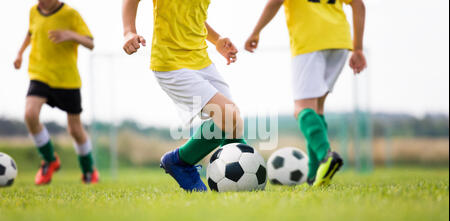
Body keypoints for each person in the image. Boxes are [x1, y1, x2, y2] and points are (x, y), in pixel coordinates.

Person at [122, 0, 247, 192]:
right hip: (171, 64)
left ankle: (238, 178)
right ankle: (180, 162)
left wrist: (217, 40)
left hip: (201, 61)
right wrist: (128, 31)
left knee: (234, 122)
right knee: (228, 115)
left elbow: (191, 16)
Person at [245, 0, 367, 187]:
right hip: (340, 42)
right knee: (317, 109)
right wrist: (357, 48)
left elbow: (275, 2)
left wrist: (255, 32)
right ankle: (314, 174)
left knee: (301, 109)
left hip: (309, 42)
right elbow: (359, 5)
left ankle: (326, 156)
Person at [14, 0, 99, 185]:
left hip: (66, 79)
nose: (40, 2)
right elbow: (31, 32)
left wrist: (70, 34)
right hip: (40, 73)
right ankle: (50, 160)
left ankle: (88, 169)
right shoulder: (33, 11)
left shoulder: (70, 14)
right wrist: (20, 53)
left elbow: (90, 43)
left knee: (75, 130)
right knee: (30, 114)